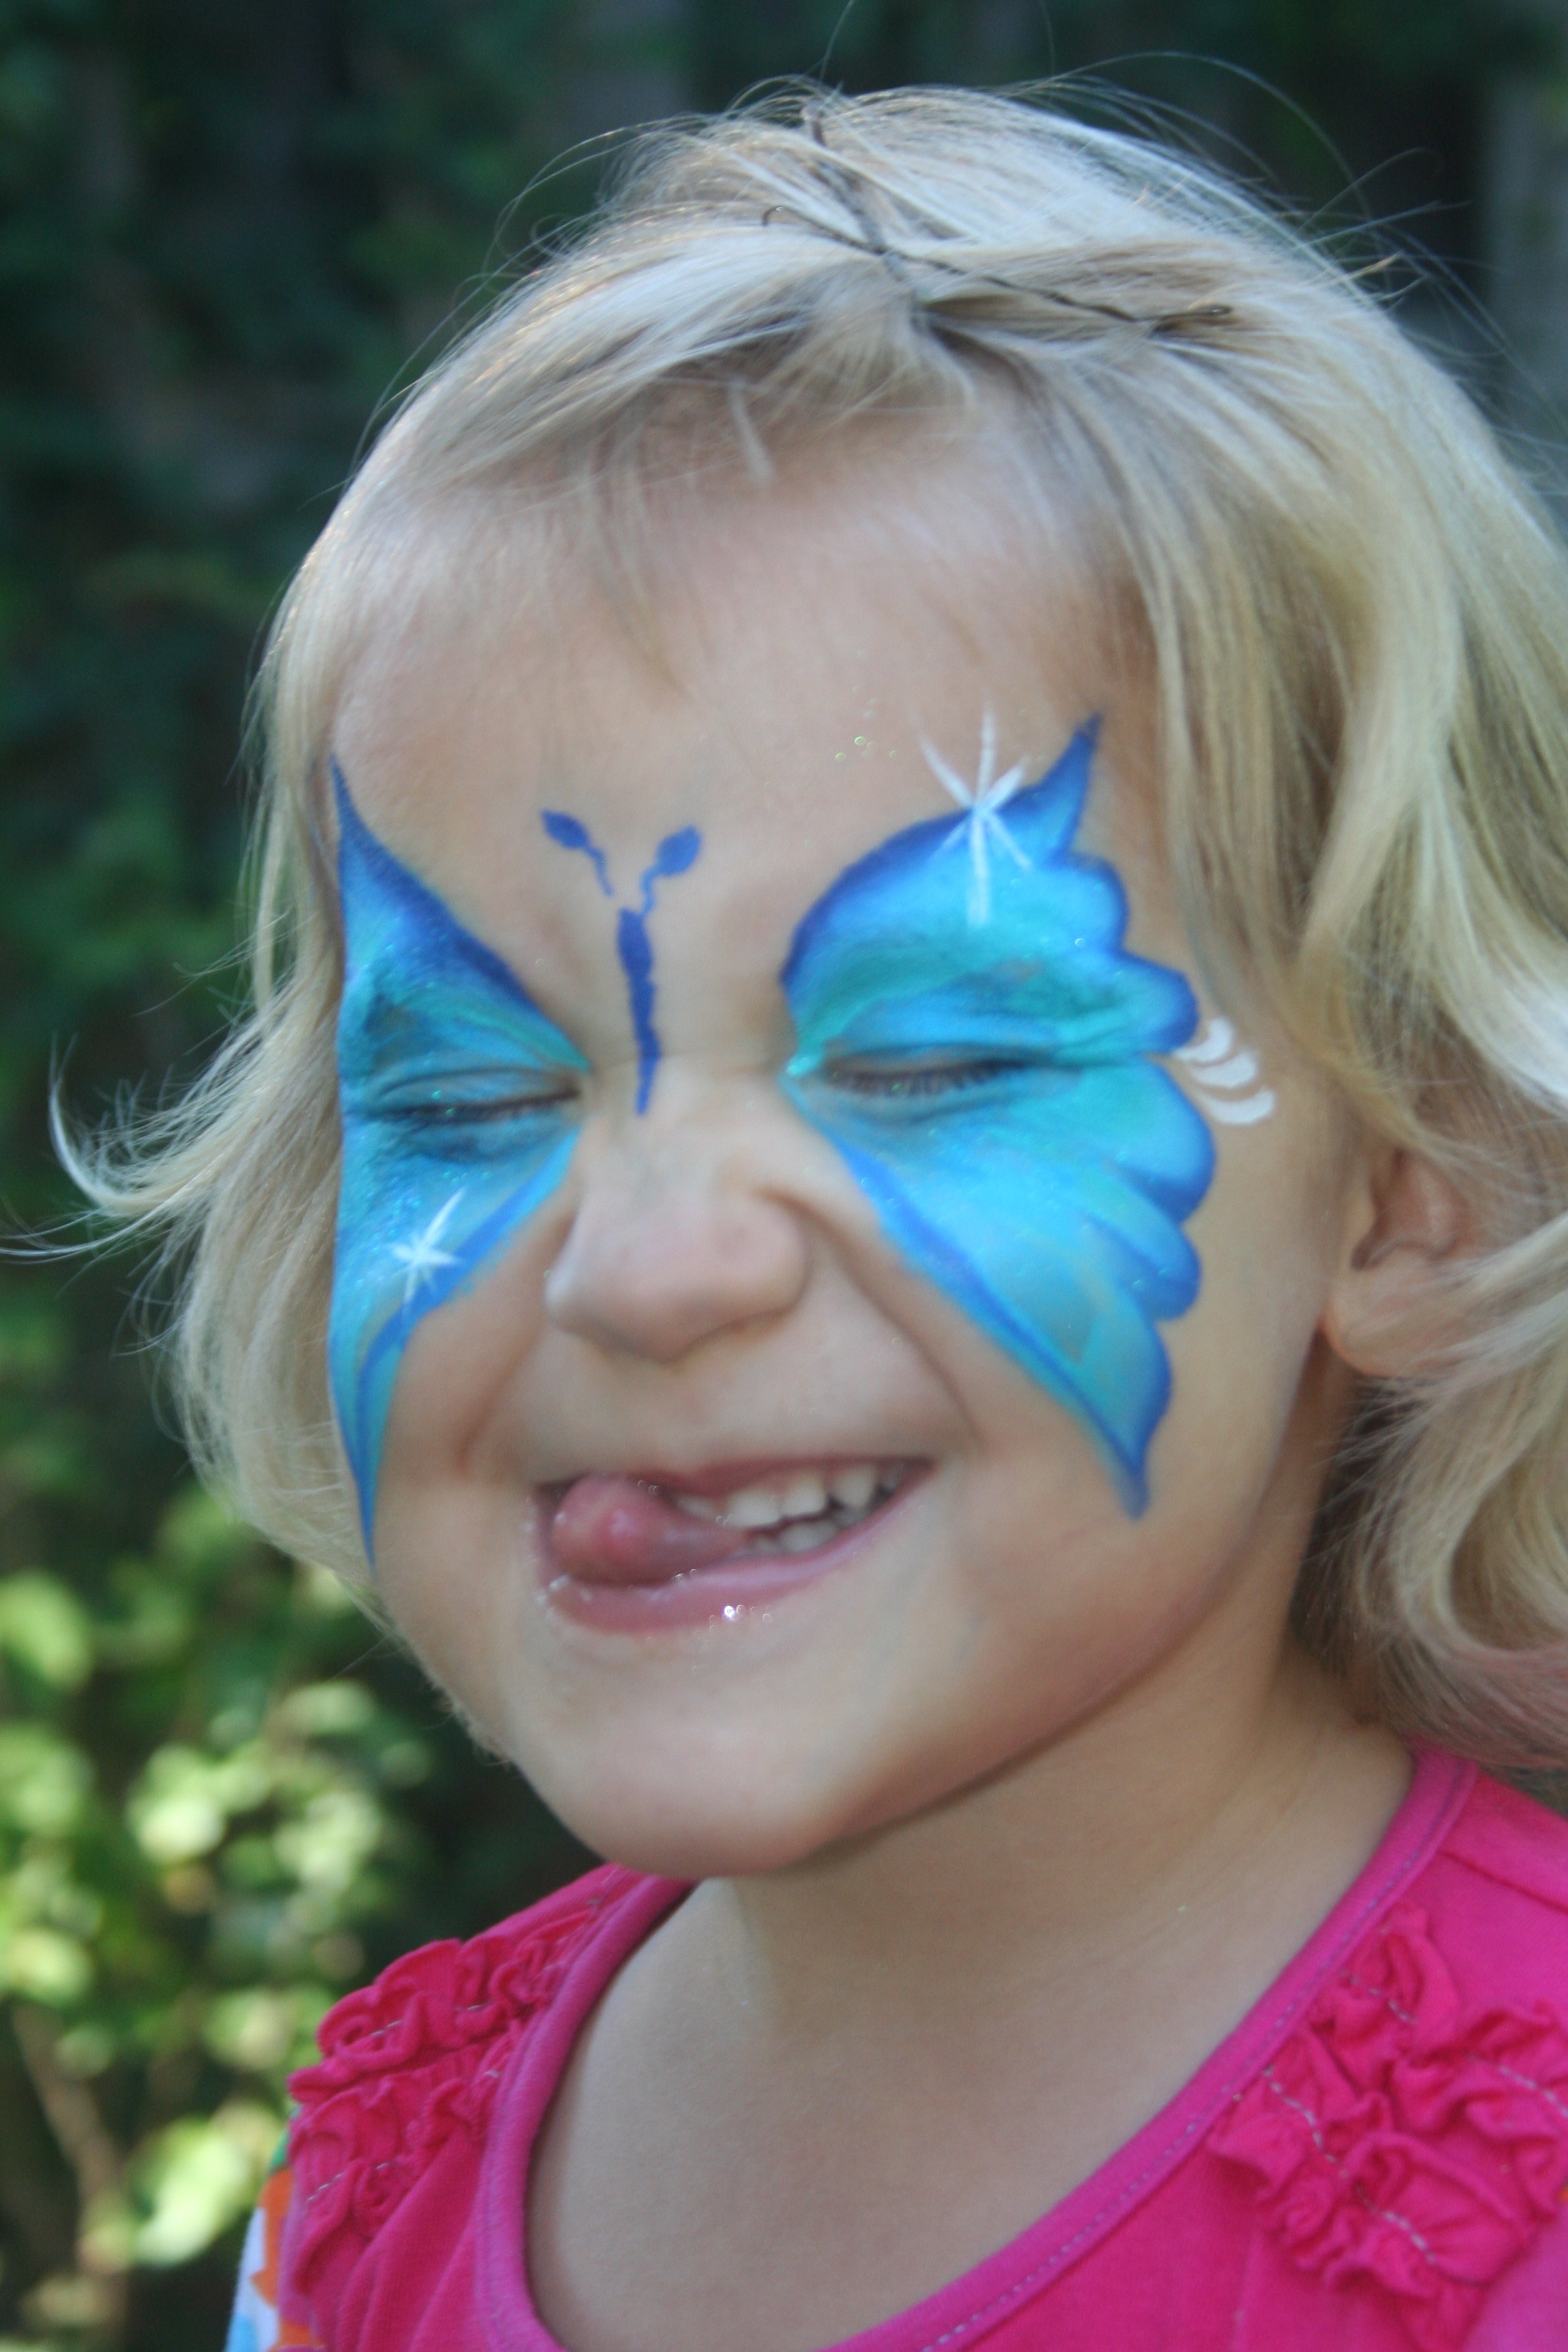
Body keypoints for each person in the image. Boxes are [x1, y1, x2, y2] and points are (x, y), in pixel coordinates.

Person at [72, 82, 1568, 2352]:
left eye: (932, 1062)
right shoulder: (374, 2187)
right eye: (473, 1087)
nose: (649, 1265)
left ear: (1414, 1178)